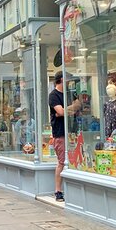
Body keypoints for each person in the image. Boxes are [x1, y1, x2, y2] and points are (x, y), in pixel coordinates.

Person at [49, 72, 65, 202]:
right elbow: (60, 112)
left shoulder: (69, 94)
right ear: (62, 79)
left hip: (71, 132)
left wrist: (66, 111)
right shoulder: (53, 96)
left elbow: (79, 105)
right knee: (62, 162)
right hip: (60, 133)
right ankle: (58, 191)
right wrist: (65, 112)